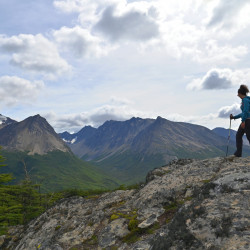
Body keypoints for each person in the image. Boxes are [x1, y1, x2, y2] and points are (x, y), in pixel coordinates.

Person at [230, 84, 250, 157]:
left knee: (245, 136)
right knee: (239, 135)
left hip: (247, 121)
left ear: (240, 93)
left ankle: (238, 153)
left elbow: (245, 111)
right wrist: (234, 117)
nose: (237, 95)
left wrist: (243, 121)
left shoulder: (245, 100)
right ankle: (238, 153)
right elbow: (243, 113)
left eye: (238, 93)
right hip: (247, 120)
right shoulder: (246, 100)